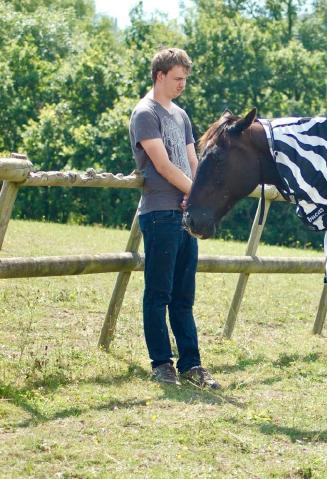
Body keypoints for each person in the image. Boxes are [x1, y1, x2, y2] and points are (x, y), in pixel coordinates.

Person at [128, 47, 219, 389]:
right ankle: (162, 364)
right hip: (160, 212)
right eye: (177, 78)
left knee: (183, 296)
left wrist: (196, 197)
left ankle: (192, 365)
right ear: (160, 75)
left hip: (184, 215)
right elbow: (163, 165)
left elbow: (192, 161)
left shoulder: (181, 115)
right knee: (159, 293)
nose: (182, 84)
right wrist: (192, 194)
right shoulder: (144, 113)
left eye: (185, 79)